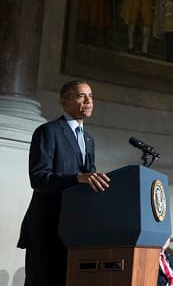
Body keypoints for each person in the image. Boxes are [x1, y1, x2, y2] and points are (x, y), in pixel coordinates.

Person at [17, 80, 111, 286]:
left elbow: (90, 180)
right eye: (81, 96)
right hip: (47, 228)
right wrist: (77, 178)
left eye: (91, 96)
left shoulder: (88, 140)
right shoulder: (48, 131)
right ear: (64, 102)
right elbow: (39, 178)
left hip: (75, 230)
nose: (89, 101)